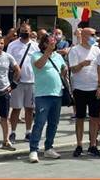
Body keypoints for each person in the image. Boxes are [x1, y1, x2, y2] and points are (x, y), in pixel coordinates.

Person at [28, 34, 68, 163]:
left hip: (57, 94)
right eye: (50, 41)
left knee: (53, 123)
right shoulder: (36, 55)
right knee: (39, 122)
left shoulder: (58, 56)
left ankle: (48, 148)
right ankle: (34, 150)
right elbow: (39, 65)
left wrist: (65, 70)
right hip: (42, 95)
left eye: (54, 42)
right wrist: (48, 52)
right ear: (44, 43)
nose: (53, 43)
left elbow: (62, 71)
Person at [66, 28, 100, 158]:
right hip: (79, 89)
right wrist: (82, 64)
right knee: (80, 118)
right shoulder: (75, 50)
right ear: (83, 35)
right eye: (92, 35)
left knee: (94, 118)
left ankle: (92, 145)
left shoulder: (96, 50)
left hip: (94, 88)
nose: (94, 37)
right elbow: (73, 70)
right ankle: (79, 145)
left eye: (95, 34)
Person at [6, 23, 39, 144]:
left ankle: (28, 132)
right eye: (23, 30)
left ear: (31, 32)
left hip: (32, 81)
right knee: (16, 108)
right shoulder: (13, 45)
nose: (25, 32)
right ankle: (13, 132)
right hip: (17, 81)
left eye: (27, 30)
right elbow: (8, 61)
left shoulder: (35, 46)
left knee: (29, 108)